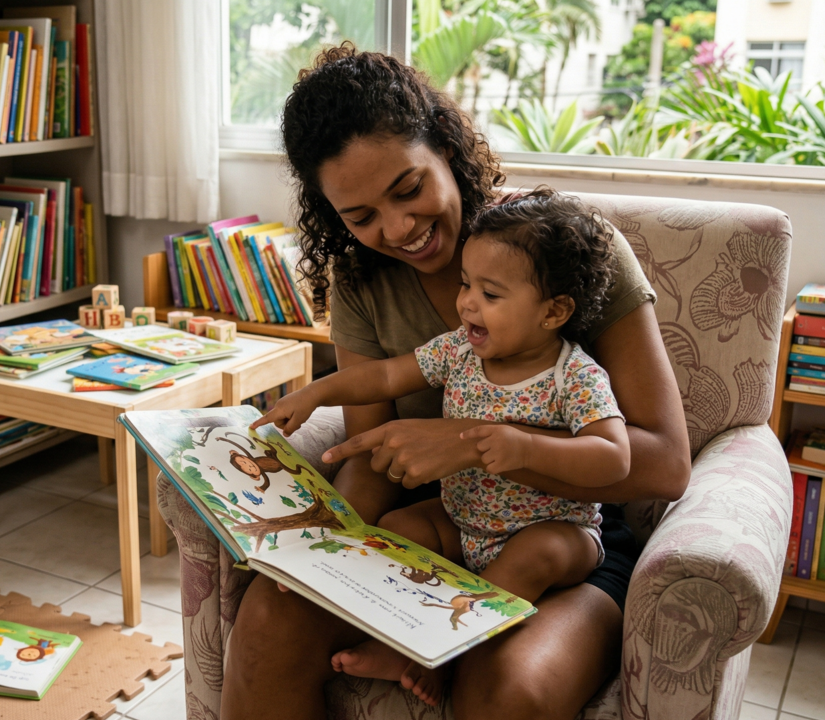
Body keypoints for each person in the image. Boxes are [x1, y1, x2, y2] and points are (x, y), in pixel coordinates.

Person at [221, 44, 691, 720]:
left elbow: (667, 464)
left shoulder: (567, 253)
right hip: (444, 526)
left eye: (408, 190)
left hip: (561, 544)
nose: (399, 228)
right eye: (360, 217)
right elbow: (374, 456)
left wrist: (475, 441)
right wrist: (317, 550)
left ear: (447, 144)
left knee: (508, 690)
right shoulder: (362, 282)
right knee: (270, 621)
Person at [251, 188, 632, 705]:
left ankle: (433, 653)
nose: (468, 302)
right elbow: (384, 376)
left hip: (557, 531)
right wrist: (316, 392)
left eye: (491, 295)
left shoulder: (576, 376)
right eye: (466, 284)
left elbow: (614, 456)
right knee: (397, 530)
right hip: (462, 518)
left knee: (536, 552)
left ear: (553, 312)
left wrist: (521, 447)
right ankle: (397, 631)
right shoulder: (459, 349)